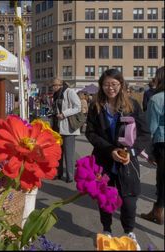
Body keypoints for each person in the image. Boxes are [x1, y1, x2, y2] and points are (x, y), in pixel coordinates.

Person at [85, 69, 151, 248]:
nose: (110, 88)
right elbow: (90, 132)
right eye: (106, 84)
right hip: (103, 158)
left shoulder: (132, 105)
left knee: (128, 199)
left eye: (114, 84)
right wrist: (110, 150)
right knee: (105, 197)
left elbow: (144, 134)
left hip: (127, 161)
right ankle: (106, 229)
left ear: (121, 85)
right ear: (101, 86)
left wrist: (132, 152)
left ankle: (129, 231)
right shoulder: (95, 105)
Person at [141, 66, 164, 225]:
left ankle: (158, 210)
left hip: (162, 143)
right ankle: (157, 210)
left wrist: (148, 152)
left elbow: (150, 127)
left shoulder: (157, 99)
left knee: (162, 180)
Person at [51, 78, 81, 183]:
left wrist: (64, 114)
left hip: (68, 128)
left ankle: (70, 176)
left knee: (69, 153)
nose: (54, 87)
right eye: (53, 85)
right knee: (58, 153)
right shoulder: (55, 95)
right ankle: (58, 174)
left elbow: (78, 107)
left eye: (55, 85)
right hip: (58, 127)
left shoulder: (69, 92)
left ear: (61, 85)